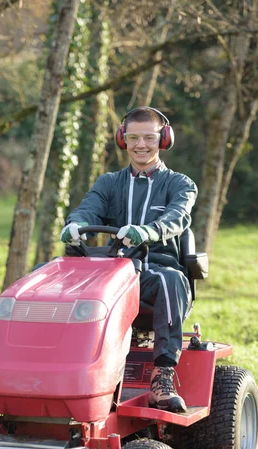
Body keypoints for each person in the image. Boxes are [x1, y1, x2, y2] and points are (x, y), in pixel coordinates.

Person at [60, 106, 197, 413]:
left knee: (169, 278)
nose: (140, 145)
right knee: (47, 273)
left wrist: (148, 231)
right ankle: (58, 368)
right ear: (123, 139)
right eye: (133, 137)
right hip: (114, 273)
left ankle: (162, 376)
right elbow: (88, 208)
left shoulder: (180, 184)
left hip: (155, 274)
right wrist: (74, 224)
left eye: (148, 137)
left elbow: (178, 217)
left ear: (164, 139)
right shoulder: (109, 182)